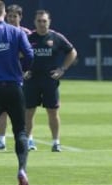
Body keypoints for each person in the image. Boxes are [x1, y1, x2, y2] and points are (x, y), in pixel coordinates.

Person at [24, 9, 77, 152]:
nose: (42, 24)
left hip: (50, 81)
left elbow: (72, 52)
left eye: (44, 21)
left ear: (49, 22)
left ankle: (56, 142)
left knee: (52, 111)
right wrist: (22, 71)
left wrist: (62, 69)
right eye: (39, 21)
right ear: (34, 22)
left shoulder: (56, 37)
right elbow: (16, 55)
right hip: (31, 80)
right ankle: (28, 141)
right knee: (28, 112)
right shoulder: (28, 38)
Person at [0, 0, 34, 185]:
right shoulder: (17, 32)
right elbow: (29, 54)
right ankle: (22, 169)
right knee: (20, 130)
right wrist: (24, 70)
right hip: (13, 86)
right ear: (4, 13)